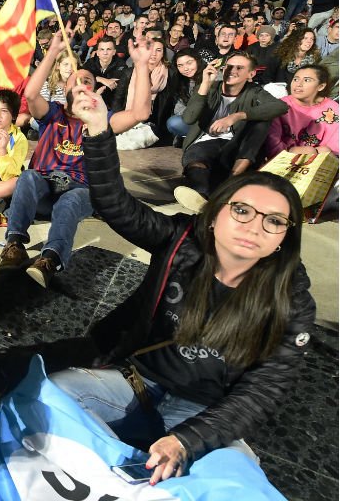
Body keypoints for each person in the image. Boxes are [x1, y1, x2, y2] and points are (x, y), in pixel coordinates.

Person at [46, 82, 314, 486]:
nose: (254, 226)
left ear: (284, 238)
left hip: (205, 411)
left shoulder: (291, 296)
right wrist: (99, 130)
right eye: (242, 210)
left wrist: (188, 440)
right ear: (216, 214)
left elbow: (265, 388)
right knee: (54, 395)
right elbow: (116, 206)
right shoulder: (182, 239)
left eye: (274, 220)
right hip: (136, 382)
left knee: (235, 478)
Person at [0, 30, 153, 288]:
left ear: (94, 90)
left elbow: (140, 113)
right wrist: (52, 53)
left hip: (79, 191)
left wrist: (142, 65)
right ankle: (14, 245)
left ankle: (50, 260)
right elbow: (31, 95)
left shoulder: (102, 120)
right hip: (44, 191)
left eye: (87, 80)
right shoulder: (53, 113)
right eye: (76, 80)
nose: (81, 83)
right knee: (29, 176)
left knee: (72, 199)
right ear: (65, 87)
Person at [176, 52, 288, 203]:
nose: (232, 71)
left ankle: (229, 184)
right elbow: (188, 118)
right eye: (229, 66)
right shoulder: (209, 87)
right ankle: (202, 197)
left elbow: (280, 106)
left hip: (237, 147)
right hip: (207, 143)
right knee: (196, 160)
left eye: (239, 68)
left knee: (262, 120)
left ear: (251, 74)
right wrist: (205, 84)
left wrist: (236, 116)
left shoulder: (254, 91)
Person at [264, 65, 338, 159]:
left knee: (324, 151)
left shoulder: (333, 108)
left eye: (307, 80)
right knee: (308, 151)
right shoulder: (279, 106)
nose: (298, 84)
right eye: (295, 79)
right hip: (284, 156)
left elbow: (335, 146)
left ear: (321, 86)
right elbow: (273, 144)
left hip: (321, 157)